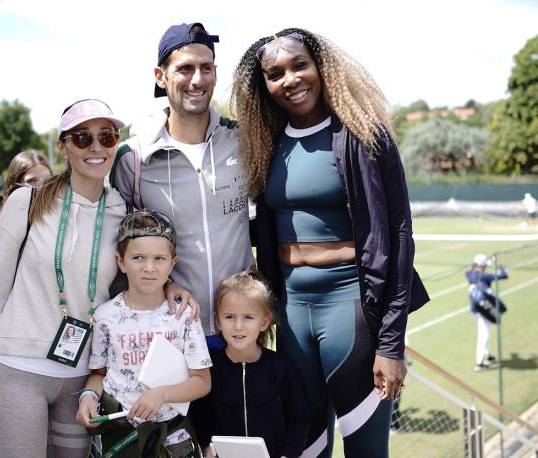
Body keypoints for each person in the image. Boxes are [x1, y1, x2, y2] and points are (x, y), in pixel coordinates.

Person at [232, 28, 429, 457]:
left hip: (351, 311)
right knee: (303, 449)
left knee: (366, 452)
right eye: (275, 73)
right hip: (291, 315)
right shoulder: (265, 144)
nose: (290, 79)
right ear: (263, 84)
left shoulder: (363, 135)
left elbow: (398, 235)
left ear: (321, 67)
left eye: (299, 65)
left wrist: (391, 344)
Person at [0, 99, 129, 458]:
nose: (96, 147)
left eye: (106, 137)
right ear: (63, 147)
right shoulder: (27, 201)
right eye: (82, 138)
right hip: (17, 371)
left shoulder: (122, 211)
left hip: (81, 378)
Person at [111, 22, 255, 341]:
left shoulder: (243, 141)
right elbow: (118, 246)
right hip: (171, 330)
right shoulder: (133, 159)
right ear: (160, 76)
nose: (197, 80)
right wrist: (164, 284)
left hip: (239, 331)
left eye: (206, 68)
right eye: (185, 68)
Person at [77, 209, 212, 458]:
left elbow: (202, 381)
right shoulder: (105, 316)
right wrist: (88, 397)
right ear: (121, 262)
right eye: (138, 258)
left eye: (159, 259)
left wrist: (162, 394)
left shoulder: (184, 315)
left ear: (173, 263)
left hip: (171, 435)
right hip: (121, 436)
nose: (149, 267)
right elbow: (99, 374)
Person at [190, 270, 309, 458]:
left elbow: (299, 419)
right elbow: (200, 416)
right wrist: (207, 447)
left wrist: (288, 454)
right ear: (217, 320)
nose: (238, 326)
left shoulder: (281, 367)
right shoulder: (210, 369)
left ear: (264, 322)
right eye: (229, 317)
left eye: (248, 317)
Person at [466, 254, 507, 372]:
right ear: (482, 265)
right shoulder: (485, 276)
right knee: (484, 335)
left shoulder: (469, 274)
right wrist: (498, 263)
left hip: (475, 309)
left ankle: (487, 356)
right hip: (484, 309)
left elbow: (468, 271)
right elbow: (504, 275)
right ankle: (479, 364)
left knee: (485, 333)